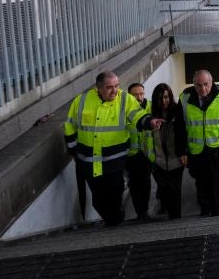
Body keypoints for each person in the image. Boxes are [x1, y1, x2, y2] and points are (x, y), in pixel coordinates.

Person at [64, 72, 160, 226]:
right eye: (109, 87)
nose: (114, 91)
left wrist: (149, 122)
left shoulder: (125, 99)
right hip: (88, 161)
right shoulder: (81, 100)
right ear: (98, 88)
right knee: (97, 199)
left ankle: (115, 221)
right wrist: (73, 149)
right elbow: (70, 125)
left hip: (114, 161)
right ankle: (113, 221)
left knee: (115, 193)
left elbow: (137, 114)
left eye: (116, 86)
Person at [181, 70, 219, 216]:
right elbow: (180, 127)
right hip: (196, 149)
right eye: (198, 85)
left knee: (216, 181)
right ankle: (205, 210)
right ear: (193, 84)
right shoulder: (185, 98)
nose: (202, 89)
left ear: (212, 82)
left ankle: (216, 211)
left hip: (218, 148)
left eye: (206, 84)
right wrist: (182, 150)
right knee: (200, 181)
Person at [149, 83, 187, 219]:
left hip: (176, 159)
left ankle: (176, 219)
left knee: (175, 190)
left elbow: (183, 133)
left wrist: (183, 152)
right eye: (160, 98)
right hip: (158, 161)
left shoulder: (178, 112)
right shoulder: (151, 116)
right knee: (164, 189)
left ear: (170, 97)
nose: (164, 101)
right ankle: (168, 212)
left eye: (166, 97)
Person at [125, 83, 153, 221]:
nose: (139, 97)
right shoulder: (124, 109)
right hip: (132, 154)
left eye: (141, 94)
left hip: (148, 153)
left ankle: (145, 210)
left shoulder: (151, 107)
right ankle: (141, 212)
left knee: (146, 182)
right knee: (135, 185)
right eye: (135, 94)